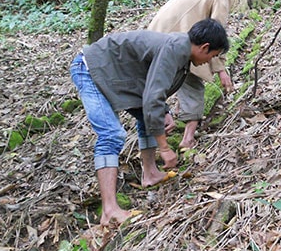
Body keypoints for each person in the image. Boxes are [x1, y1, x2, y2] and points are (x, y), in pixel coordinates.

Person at [70, 19, 229, 226]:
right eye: (212, 56)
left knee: (152, 116)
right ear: (204, 47)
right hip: (91, 69)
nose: (209, 61)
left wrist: (164, 111)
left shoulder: (181, 51)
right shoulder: (175, 49)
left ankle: (151, 173)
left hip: (116, 72)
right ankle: (109, 211)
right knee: (111, 135)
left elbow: (153, 88)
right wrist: (164, 148)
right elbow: (152, 98)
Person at [148, 0, 237, 150]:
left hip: (154, 36)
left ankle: (170, 119)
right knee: (194, 84)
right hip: (179, 40)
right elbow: (217, 34)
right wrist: (221, 70)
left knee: (167, 82)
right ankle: (187, 138)